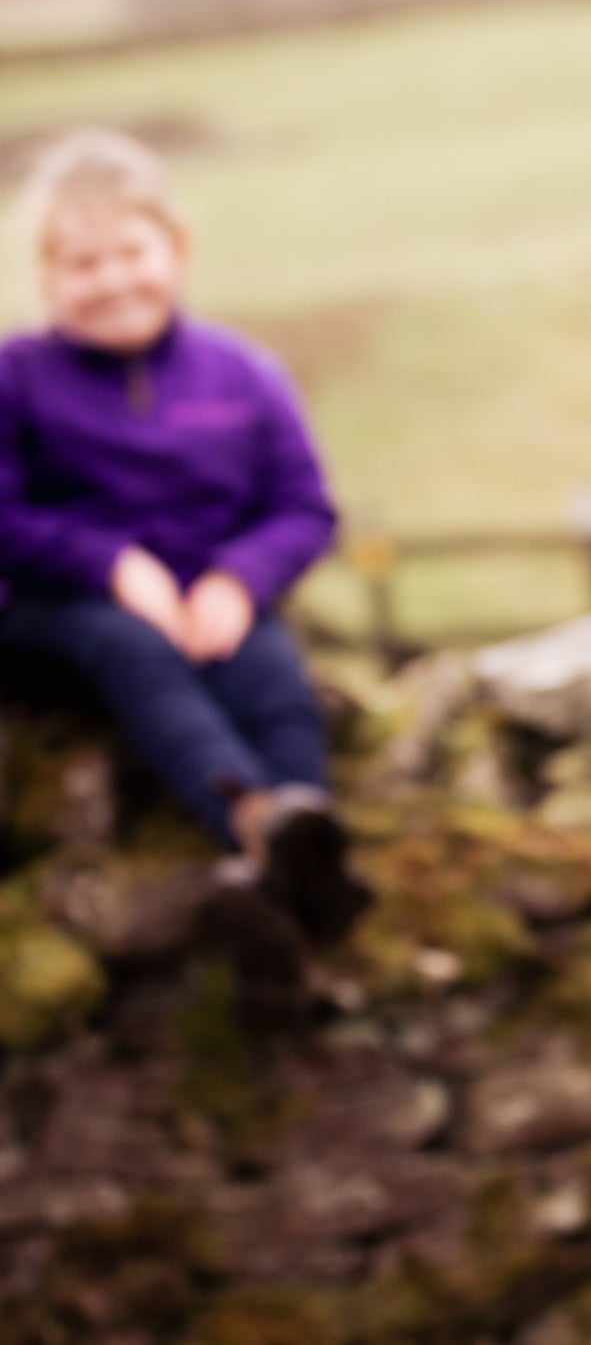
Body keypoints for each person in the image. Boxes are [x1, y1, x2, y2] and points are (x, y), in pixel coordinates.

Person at [0, 128, 371, 952]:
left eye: (130, 253)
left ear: (176, 248)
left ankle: (306, 838)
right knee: (130, 645)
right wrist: (110, 564)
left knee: (271, 666)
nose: (112, 281)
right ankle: (250, 816)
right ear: (47, 275)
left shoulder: (242, 374)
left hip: (208, 600)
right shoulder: (16, 377)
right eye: (83, 265)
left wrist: (239, 580)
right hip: (53, 613)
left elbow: (304, 507)